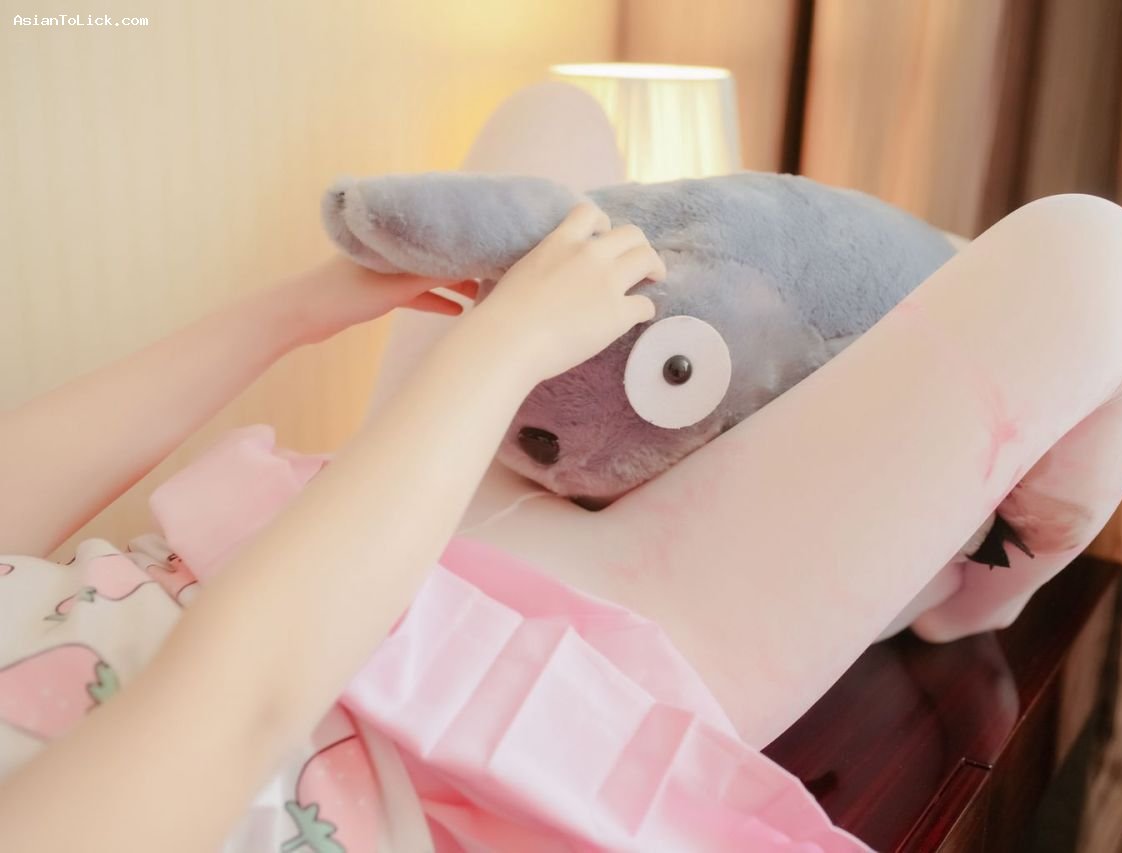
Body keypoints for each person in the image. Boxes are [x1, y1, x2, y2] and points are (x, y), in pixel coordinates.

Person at [0, 203, 664, 852]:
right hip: (429, 744)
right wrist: (512, 343)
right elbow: (244, 707)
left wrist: (295, 312)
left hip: (310, 552)